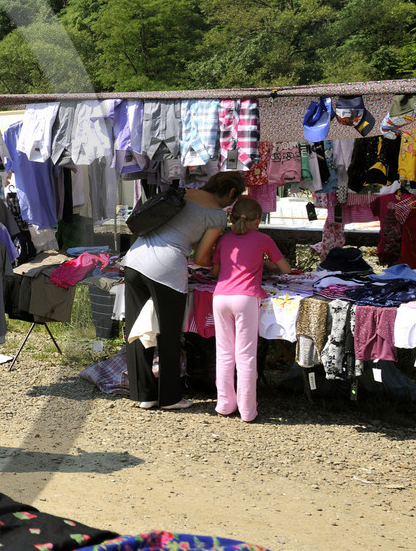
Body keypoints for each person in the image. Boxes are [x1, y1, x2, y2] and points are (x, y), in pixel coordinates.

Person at [121, 171, 247, 411]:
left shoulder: (182, 193)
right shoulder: (216, 216)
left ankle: (144, 394)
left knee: (137, 329)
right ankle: (169, 398)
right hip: (166, 269)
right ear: (231, 193)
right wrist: (220, 263)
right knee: (168, 334)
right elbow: (200, 257)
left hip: (134, 260)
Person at [195, 196, 294, 423]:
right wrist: (265, 264)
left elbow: (214, 271)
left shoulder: (223, 239)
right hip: (246, 298)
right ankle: (248, 410)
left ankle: (225, 404)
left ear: (232, 217)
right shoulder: (263, 239)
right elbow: (286, 269)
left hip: (220, 297)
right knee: (246, 356)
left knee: (224, 353)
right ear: (258, 220)